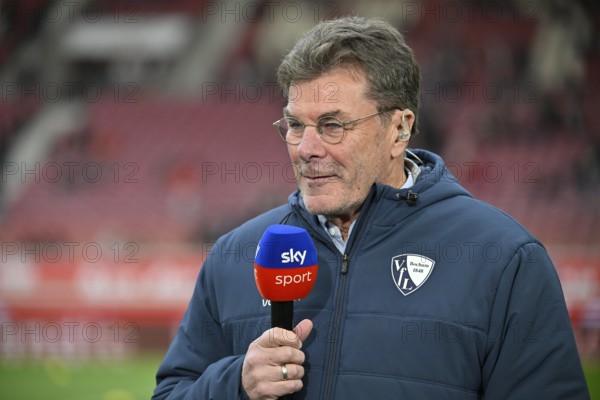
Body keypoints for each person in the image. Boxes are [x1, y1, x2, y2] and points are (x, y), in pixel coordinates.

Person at [152, 16, 590, 399]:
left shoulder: (505, 258)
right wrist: (236, 385)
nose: (305, 148)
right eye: (295, 124)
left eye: (333, 125)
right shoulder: (235, 255)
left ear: (399, 129)